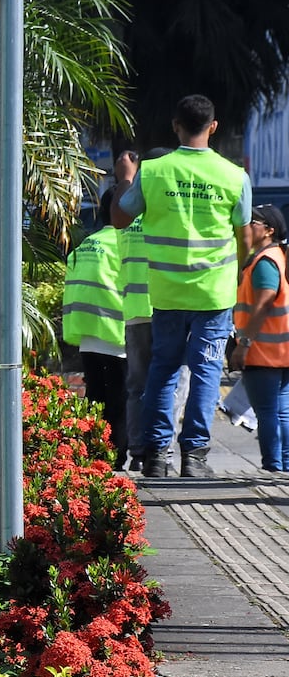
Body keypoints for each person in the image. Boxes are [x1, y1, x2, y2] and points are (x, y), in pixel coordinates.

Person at [112, 94, 253, 478]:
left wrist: (125, 180)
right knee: (206, 371)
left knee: (164, 368)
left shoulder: (154, 171)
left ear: (175, 125)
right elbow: (244, 240)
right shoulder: (234, 176)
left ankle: (156, 456)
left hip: (167, 291)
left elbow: (121, 219)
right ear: (214, 127)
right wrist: (236, 275)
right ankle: (195, 457)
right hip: (213, 293)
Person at [112, 147, 190, 472]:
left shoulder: (127, 216)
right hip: (168, 306)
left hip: (135, 312)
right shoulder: (167, 209)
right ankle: (163, 452)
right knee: (173, 384)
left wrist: (125, 179)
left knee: (137, 387)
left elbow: (118, 213)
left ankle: (139, 451)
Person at [63, 190, 127, 468]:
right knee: (119, 402)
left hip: (86, 333)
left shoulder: (87, 243)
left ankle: (94, 456)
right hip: (116, 334)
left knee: (96, 400)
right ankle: (117, 458)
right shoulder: (124, 244)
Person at [230, 203, 289, 471]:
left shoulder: (265, 262)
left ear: (269, 230)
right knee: (281, 412)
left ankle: (273, 465)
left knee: (267, 413)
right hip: (280, 349)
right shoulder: (277, 256)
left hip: (263, 350)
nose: (246, 226)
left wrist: (243, 345)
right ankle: (283, 465)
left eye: (252, 221)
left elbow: (264, 303)